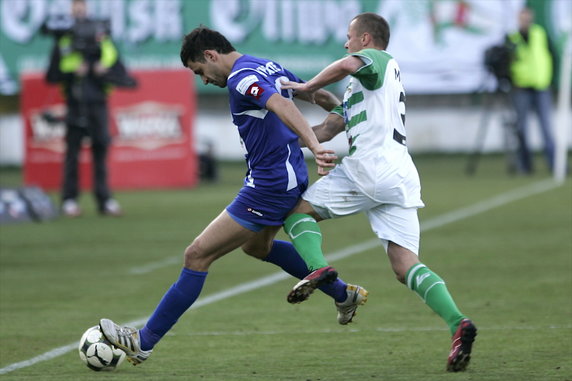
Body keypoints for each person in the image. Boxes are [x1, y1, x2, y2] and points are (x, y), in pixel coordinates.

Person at [98, 26, 368, 365]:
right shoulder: (266, 65)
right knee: (257, 247)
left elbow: (281, 106)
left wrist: (316, 146)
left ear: (211, 56)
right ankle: (343, 294)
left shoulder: (241, 78)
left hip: (269, 184)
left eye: (200, 71)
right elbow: (312, 94)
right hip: (285, 176)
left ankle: (144, 341)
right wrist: (341, 111)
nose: (204, 80)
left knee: (197, 255)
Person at [280, 13, 477, 372]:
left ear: (367, 39)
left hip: (370, 167)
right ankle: (457, 323)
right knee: (405, 266)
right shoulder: (364, 88)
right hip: (399, 174)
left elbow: (345, 64)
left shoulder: (380, 60)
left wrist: (307, 85)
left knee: (296, 212)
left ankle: (320, 269)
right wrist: (289, 131)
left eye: (349, 36)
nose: (346, 43)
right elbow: (325, 130)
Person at [45, 0, 133, 217]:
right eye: (75, 5)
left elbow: (121, 73)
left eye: (82, 4)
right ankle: (69, 200)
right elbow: (52, 75)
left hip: (98, 103)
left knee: (101, 151)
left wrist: (100, 70)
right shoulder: (64, 39)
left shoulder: (101, 38)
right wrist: (74, 71)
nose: (79, 9)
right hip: (74, 103)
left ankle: (105, 200)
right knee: (72, 153)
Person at [508, 7, 555, 174]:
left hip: (541, 87)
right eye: (522, 18)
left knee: (546, 128)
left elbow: (552, 56)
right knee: (522, 129)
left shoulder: (540, 34)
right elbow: (508, 62)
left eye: (528, 18)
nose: (525, 21)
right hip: (521, 88)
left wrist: (549, 80)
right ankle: (525, 166)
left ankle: (555, 164)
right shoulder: (512, 38)